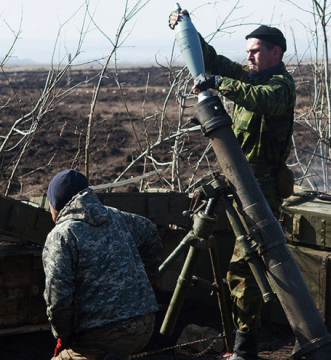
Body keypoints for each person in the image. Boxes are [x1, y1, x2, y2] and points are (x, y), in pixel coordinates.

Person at [170, 11, 296, 360]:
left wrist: (217, 83)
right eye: (248, 51)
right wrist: (187, 27)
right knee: (239, 265)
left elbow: (260, 100)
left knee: (245, 266)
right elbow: (212, 60)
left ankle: (245, 349)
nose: (249, 57)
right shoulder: (250, 76)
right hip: (240, 182)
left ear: (276, 53)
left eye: (255, 51)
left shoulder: (280, 86)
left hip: (262, 188)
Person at [42, 169, 162, 360]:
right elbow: (150, 232)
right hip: (145, 325)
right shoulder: (117, 217)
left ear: (56, 202)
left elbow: (58, 300)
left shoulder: (61, 235)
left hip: (102, 335)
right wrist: (149, 278)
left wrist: (63, 335)